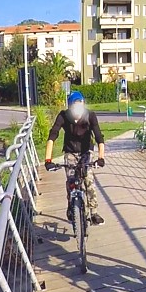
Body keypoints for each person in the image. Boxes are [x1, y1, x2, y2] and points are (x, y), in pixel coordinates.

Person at [44, 91, 106, 225]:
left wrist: (101, 158)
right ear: (70, 107)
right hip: (70, 152)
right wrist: (48, 160)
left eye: (80, 105)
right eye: (74, 106)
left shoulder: (90, 116)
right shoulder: (63, 116)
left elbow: (99, 137)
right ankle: (71, 206)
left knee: (88, 180)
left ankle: (94, 213)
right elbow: (52, 135)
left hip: (86, 152)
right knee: (71, 180)